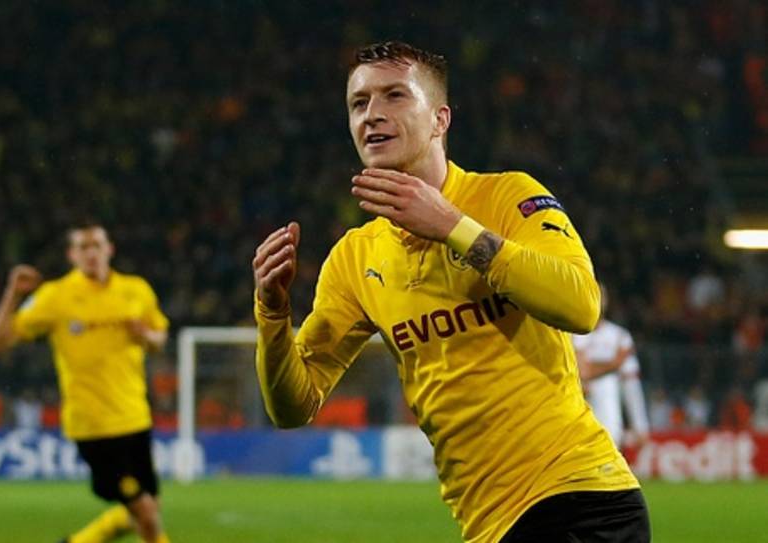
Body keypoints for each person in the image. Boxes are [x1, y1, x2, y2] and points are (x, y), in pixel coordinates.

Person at [252, 41, 650, 542]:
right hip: (490, 523)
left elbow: (581, 306)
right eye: (359, 103)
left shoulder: (508, 197)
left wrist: (453, 227)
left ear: (440, 119)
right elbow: (293, 407)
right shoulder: (355, 258)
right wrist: (272, 313)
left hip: (578, 499)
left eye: (395, 95)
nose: (372, 114)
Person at [0, 223, 171, 543]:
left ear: (109, 249)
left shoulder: (136, 290)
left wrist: (146, 336)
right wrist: (13, 294)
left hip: (135, 418)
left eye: (96, 245)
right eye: (83, 247)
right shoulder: (56, 296)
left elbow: (160, 338)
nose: (91, 253)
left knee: (145, 510)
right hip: (92, 426)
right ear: (72, 255)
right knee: (145, 511)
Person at [573, 283, 651, 450]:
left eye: (601, 296)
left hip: (607, 408)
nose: (599, 301)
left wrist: (640, 424)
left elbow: (631, 384)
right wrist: (613, 364)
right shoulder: (573, 333)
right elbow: (582, 372)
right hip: (577, 407)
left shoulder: (619, 336)